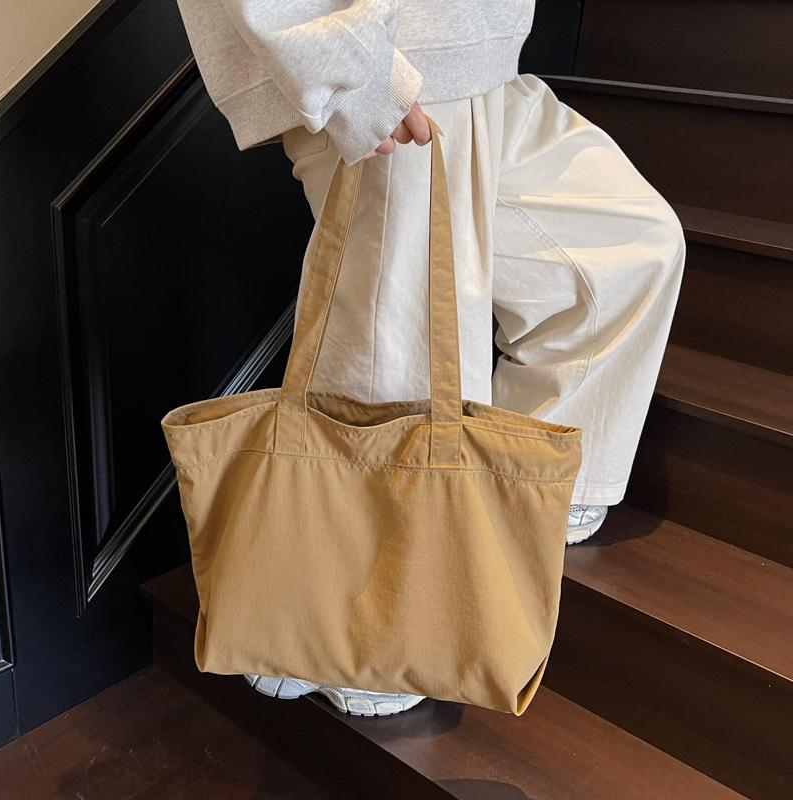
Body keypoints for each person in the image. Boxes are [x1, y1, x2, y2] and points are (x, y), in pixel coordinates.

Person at [174, 0, 686, 716]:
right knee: (393, 349)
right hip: (392, 62)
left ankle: (511, 504)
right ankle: (354, 631)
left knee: (629, 250)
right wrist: (357, 73)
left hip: (486, 58)